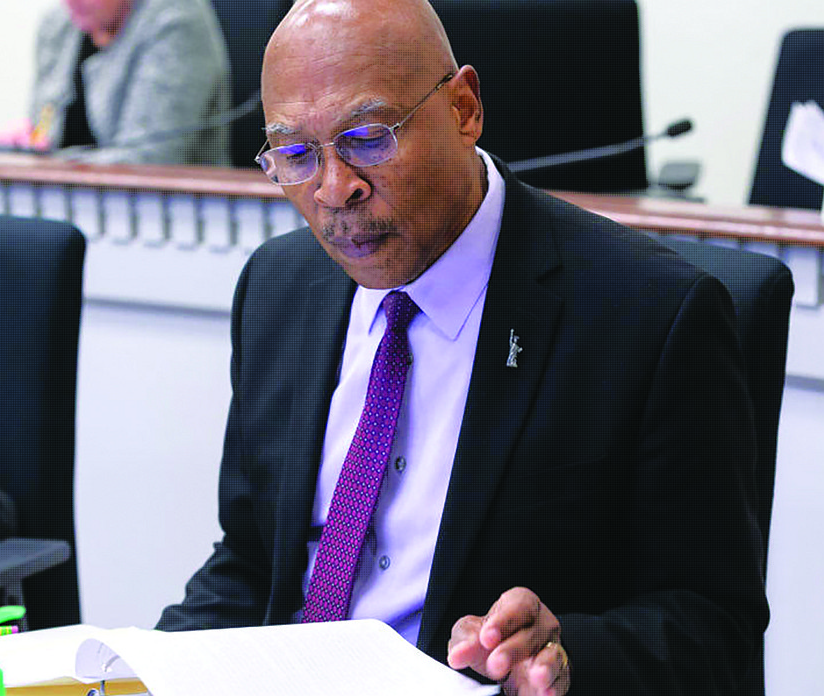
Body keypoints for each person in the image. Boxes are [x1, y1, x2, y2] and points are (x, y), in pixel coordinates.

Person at [156, 1, 768, 694]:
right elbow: (248, 562)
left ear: (464, 108)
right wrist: (136, 668)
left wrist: (568, 653)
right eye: (296, 156)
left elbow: (713, 622)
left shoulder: (647, 316)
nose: (334, 190)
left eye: (367, 137)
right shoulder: (277, 287)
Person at [0, 0, 230, 166]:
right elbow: (44, 130)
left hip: (166, 212)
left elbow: (149, 158)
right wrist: (27, 145)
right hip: (68, 203)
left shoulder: (176, 20)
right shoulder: (57, 23)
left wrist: (50, 164)